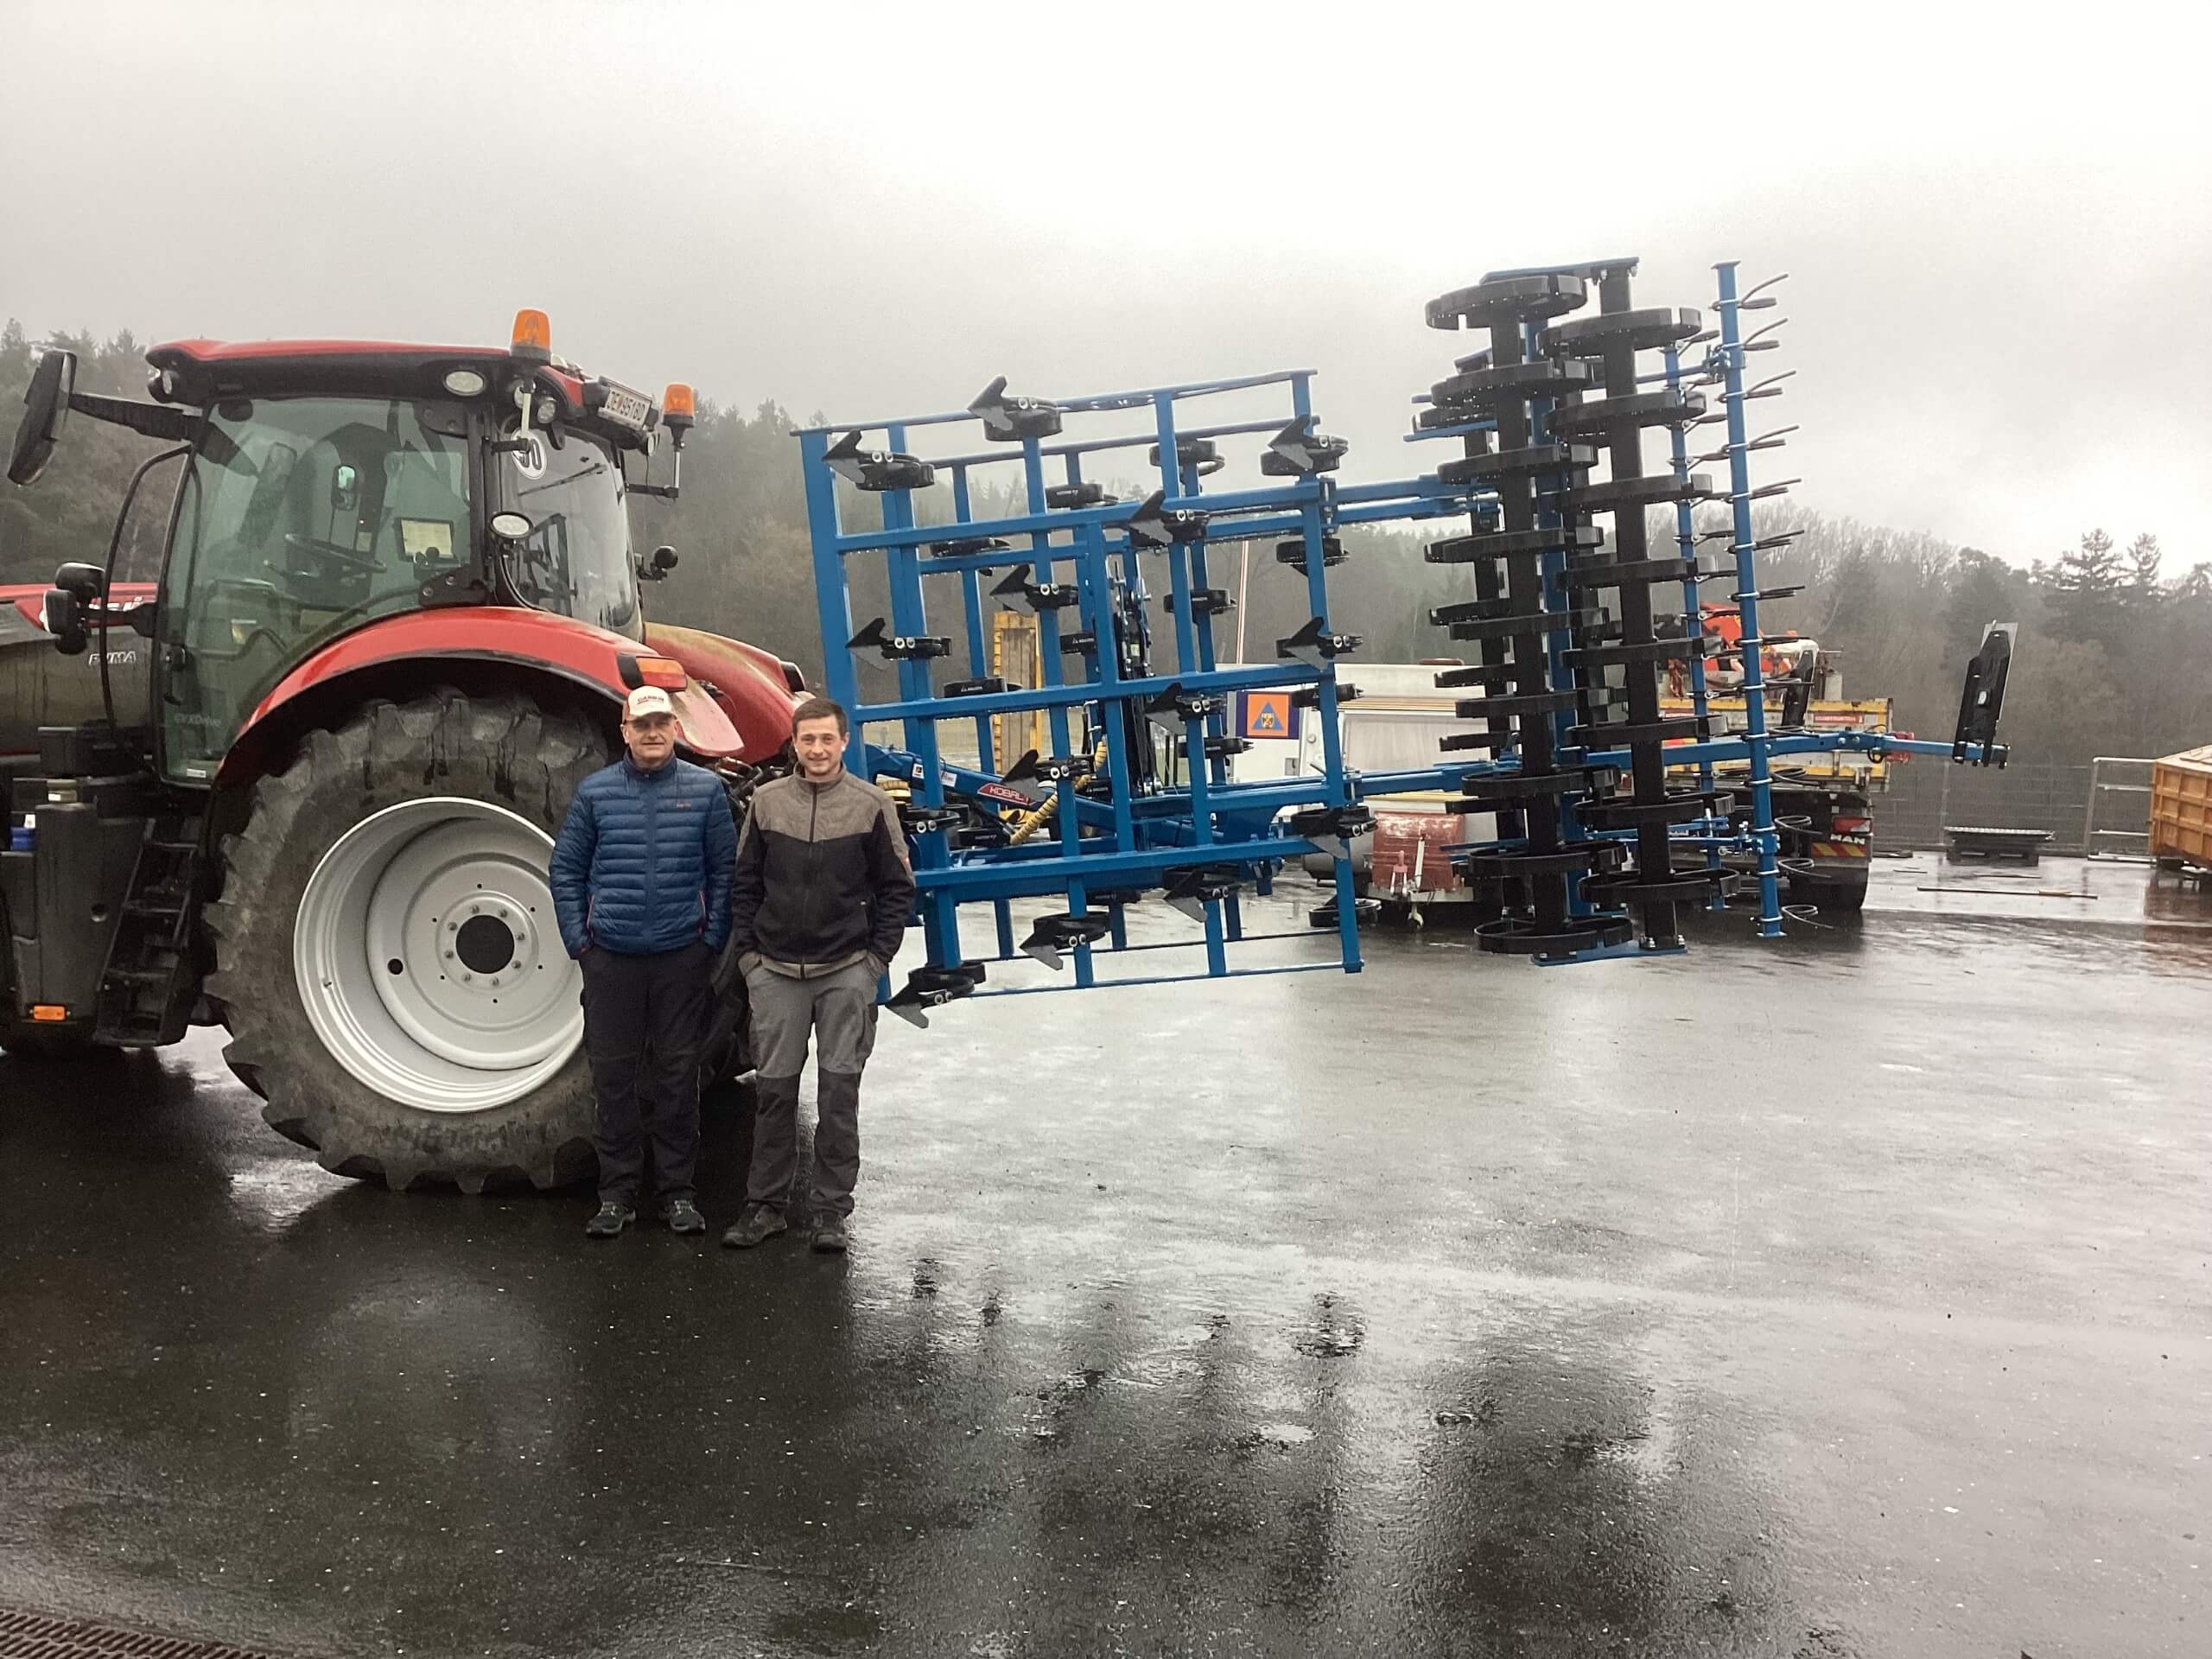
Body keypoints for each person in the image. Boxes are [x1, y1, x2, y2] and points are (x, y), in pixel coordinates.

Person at [722, 696, 913, 1254]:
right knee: (775, 1096)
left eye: (828, 739)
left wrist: (874, 961)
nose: (818, 749)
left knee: (838, 1096)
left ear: (845, 742)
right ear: (796, 744)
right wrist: (750, 961)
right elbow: (744, 885)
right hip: (775, 972)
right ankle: (766, 1208)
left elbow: (897, 890)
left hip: (845, 974)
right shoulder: (766, 802)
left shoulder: (872, 805)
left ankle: (831, 1212)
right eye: (808, 740)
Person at [550, 685, 736, 1239]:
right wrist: (580, 944)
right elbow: (566, 871)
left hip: (681, 960)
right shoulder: (596, 794)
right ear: (625, 731)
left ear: (675, 730)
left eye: (662, 724)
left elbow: (725, 875)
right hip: (611, 961)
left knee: (679, 1080)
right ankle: (618, 1195)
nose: (652, 733)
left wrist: (710, 941)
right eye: (641, 725)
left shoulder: (704, 792)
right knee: (613, 1080)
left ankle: (678, 1194)